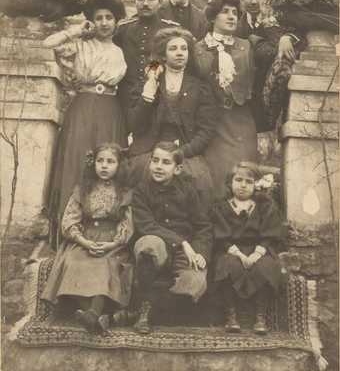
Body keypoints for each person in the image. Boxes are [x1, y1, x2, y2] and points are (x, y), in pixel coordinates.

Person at [42, 0, 128, 248]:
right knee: (78, 160)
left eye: (108, 18)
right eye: (98, 18)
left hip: (111, 110)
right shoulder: (80, 44)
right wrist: (77, 30)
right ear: (92, 21)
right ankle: (69, 233)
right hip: (83, 107)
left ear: (116, 21)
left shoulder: (120, 51)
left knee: (109, 162)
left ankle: (105, 232)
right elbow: (48, 43)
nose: (103, 23)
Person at [41, 143, 134, 333]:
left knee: (105, 264)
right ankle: (95, 315)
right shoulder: (82, 190)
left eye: (110, 161)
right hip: (84, 238)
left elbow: (127, 223)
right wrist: (84, 241)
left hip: (112, 242)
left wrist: (112, 243)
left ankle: (92, 313)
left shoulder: (124, 193)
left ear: (118, 165)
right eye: (100, 161)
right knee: (75, 261)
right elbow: (70, 220)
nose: (104, 166)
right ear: (93, 163)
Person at [127, 26, 216, 204]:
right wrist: (148, 93)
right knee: (138, 175)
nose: (179, 53)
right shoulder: (150, 81)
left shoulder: (200, 87)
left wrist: (182, 153)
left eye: (184, 49)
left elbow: (206, 130)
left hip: (184, 150)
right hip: (150, 149)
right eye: (173, 48)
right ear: (163, 54)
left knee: (199, 181)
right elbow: (135, 125)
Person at [132, 141, 213, 334]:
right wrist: (181, 242)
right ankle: (143, 311)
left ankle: (142, 313)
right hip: (158, 244)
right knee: (148, 245)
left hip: (185, 251)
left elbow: (203, 226)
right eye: (155, 160)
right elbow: (146, 225)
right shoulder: (141, 190)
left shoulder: (188, 189)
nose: (159, 166)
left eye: (166, 162)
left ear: (177, 169)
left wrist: (201, 252)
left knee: (195, 285)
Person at [193, 0, 257, 199]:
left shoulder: (247, 46)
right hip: (210, 123)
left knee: (243, 174)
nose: (231, 16)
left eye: (235, 13)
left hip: (241, 121)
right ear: (212, 17)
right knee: (215, 175)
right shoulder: (196, 49)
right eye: (224, 12)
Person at [212, 161, 284, 335]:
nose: (243, 185)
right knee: (227, 265)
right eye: (238, 180)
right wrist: (239, 255)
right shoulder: (221, 207)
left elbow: (270, 234)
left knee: (267, 266)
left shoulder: (265, 207)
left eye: (249, 182)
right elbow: (220, 236)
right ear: (230, 183)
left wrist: (256, 255)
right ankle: (231, 315)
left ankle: (260, 316)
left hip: (259, 249)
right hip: (231, 249)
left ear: (256, 185)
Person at [236, 0, 300, 133]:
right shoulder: (235, 24)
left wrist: (286, 38)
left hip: (270, 98)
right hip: (242, 96)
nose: (253, 1)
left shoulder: (278, 22)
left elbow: (300, 38)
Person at [114, 0, 179, 111]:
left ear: (160, 3)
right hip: (126, 99)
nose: (145, 3)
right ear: (134, 2)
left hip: (160, 98)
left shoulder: (171, 30)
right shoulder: (122, 29)